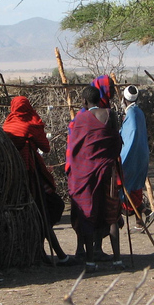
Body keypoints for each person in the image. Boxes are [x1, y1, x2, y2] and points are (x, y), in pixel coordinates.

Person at [3, 96, 76, 266]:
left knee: (34, 211)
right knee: (46, 210)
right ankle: (59, 255)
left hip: (13, 176)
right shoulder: (31, 124)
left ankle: (41, 251)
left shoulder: (7, 125)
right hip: (32, 174)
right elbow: (45, 147)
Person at [66, 86, 124, 272]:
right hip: (108, 172)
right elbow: (117, 142)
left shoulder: (79, 120)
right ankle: (117, 260)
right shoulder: (110, 114)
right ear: (100, 99)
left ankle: (90, 262)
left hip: (85, 175)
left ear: (84, 102)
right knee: (112, 215)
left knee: (88, 214)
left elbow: (75, 150)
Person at [119, 85, 153, 231]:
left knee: (125, 188)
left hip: (131, 157)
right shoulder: (138, 112)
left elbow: (129, 138)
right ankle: (141, 218)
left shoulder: (132, 115)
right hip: (141, 156)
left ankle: (138, 214)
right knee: (135, 188)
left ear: (123, 100)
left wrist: (121, 158)